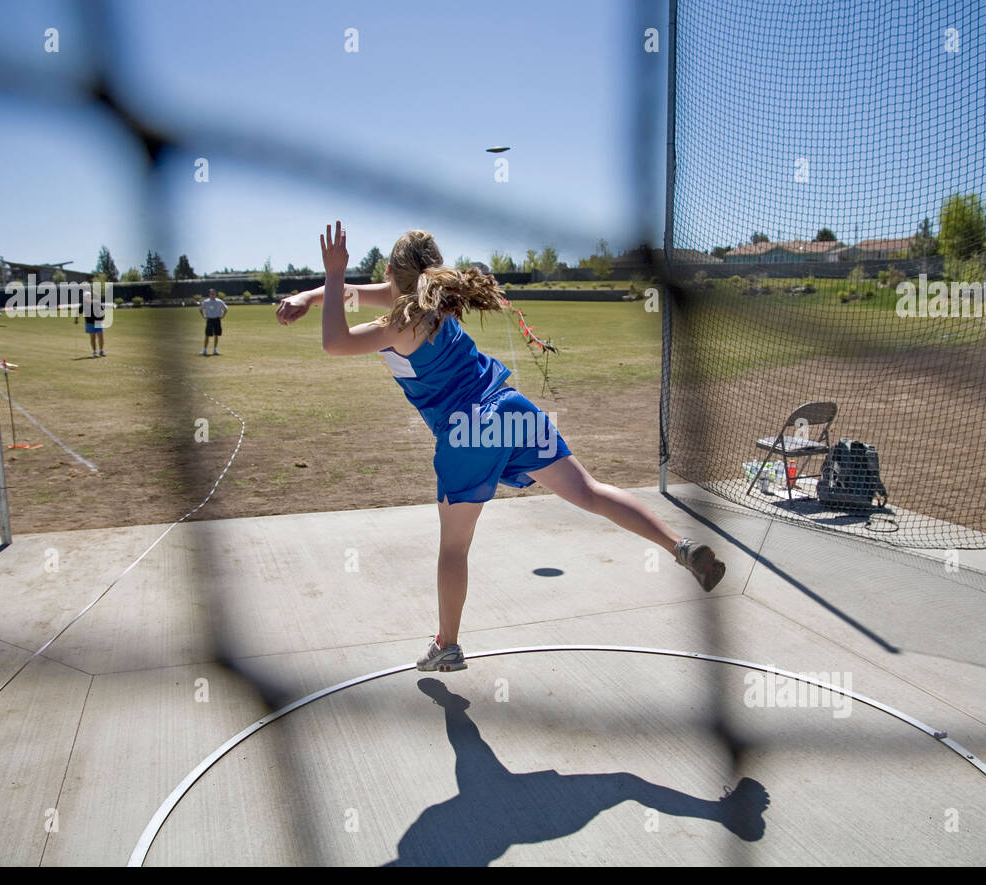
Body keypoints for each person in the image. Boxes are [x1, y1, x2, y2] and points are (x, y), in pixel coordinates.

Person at [277, 222, 725, 673]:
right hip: (510, 409)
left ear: (392, 270)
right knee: (589, 491)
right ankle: (681, 546)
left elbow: (335, 342)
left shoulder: (398, 323)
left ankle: (447, 646)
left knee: (454, 548)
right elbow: (370, 293)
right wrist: (310, 296)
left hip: (467, 429)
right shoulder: (439, 300)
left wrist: (333, 275)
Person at [198, 288, 227, 355]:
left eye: (213, 294)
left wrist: (223, 316)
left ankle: (215, 350)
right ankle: (204, 350)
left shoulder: (219, 301)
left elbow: (226, 309)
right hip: (210, 320)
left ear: (215, 294)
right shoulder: (206, 302)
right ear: (209, 294)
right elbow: (200, 309)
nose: (212, 295)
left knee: (216, 335)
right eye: (211, 294)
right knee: (207, 335)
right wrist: (203, 316)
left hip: (217, 320)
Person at [81, 290, 105, 357]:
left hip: (98, 322)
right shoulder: (84, 304)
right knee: (93, 338)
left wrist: (103, 317)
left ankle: (101, 350)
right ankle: (95, 352)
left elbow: (103, 310)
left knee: (101, 337)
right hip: (89, 323)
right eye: (86, 296)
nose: (87, 297)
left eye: (88, 296)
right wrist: (76, 320)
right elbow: (78, 312)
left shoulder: (97, 302)